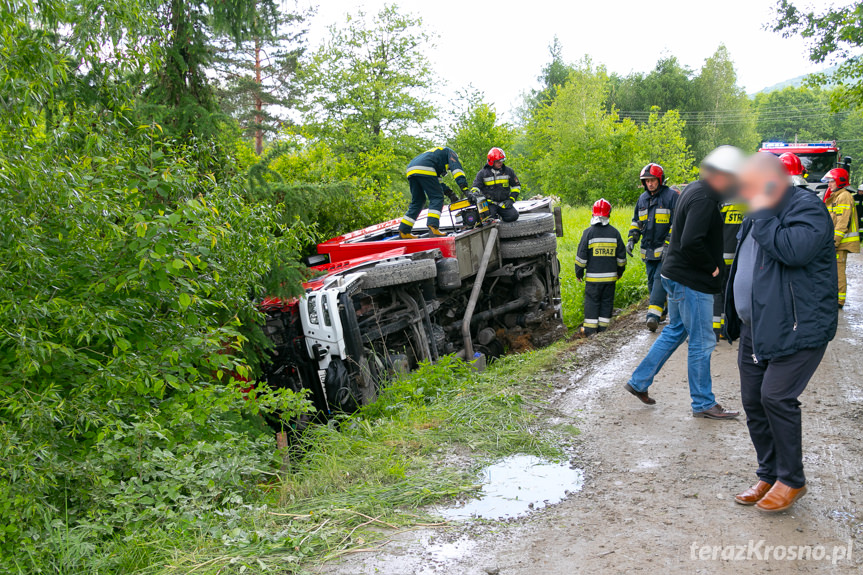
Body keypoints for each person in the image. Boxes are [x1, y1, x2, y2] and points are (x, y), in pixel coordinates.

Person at [726, 152, 837, 512]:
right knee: (754, 401)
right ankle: (768, 473)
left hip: (796, 325)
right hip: (756, 326)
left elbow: (793, 251)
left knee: (776, 397)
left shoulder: (806, 207)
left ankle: (791, 479)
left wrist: (761, 211)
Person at [623, 146, 743, 420]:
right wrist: (712, 267)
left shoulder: (693, 189)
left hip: (674, 274)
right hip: (691, 281)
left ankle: (639, 381)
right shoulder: (703, 198)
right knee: (702, 342)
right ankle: (703, 403)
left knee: (676, 329)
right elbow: (691, 241)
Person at [627, 163, 678, 332]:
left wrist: (668, 246)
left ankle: (653, 317)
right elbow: (636, 222)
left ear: (660, 180)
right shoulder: (642, 199)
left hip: (666, 250)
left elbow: (677, 223)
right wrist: (631, 240)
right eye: (647, 181)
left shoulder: (671, 197)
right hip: (648, 251)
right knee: (651, 282)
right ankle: (662, 312)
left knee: (658, 280)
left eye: (653, 180)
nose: (650, 184)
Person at [575, 199, 627, 335]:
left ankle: (590, 331)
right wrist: (620, 271)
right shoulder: (615, 233)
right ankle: (604, 330)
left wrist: (578, 272)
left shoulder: (588, 233)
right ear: (609, 214)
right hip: (610, 279)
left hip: (593, 280)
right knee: (607, 302)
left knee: (592, 303)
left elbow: (581, 257)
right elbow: (621, 258)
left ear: (593, 213)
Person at [400, 146, 470, 239]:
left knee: (418, 201)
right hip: (425, 167)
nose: (448, 170)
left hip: (411, 169)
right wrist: (464, 188)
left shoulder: (436, 158)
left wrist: (450, 193)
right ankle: (433, 227)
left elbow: (437, 183)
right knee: (437, 197)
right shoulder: (451, 153)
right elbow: (457, 169)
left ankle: (404, 230)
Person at [822, 167, 860, 307]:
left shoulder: (843, 196)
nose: (829, 184)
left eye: (831, 181)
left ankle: (839, 300)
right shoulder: (836, 196)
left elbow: (842, 223)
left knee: (838, 271)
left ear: (840, 181)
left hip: (840, 242)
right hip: (836, 242)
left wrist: (834, 242)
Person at [713, 200, 745, 339]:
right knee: (732, 293)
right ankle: (728, 327)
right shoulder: (748, 200)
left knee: (717, 292)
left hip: (721, 255)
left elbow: (713, 227)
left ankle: (715, 330)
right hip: (740, 258)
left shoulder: (722, 200)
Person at [470, 148, 522, 222]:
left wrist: (511, 199)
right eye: (498, 161)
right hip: (489, 204)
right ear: (491, 162)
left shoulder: (508, 171)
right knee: (487, 220)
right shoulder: (482, 173)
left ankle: (501, 219)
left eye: (501, 161)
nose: (500, 163)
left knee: (513, 216)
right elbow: (476, 186)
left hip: (503, 203)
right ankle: (494, 218)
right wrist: (474, 193)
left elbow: (516, 186)